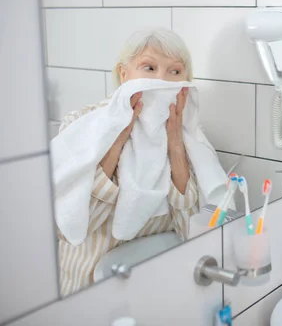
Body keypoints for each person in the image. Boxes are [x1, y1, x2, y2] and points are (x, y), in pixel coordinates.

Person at [57, 28, 201, 296]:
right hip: (87, 286)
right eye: (149, 68)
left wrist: (175, 145)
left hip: (151, 287)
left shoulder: (190, 138)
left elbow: (192, 232)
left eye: (174, 71)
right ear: (124, 74)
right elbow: (72, 226)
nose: (160, 81)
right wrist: (117, 141)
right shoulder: (80, 126)